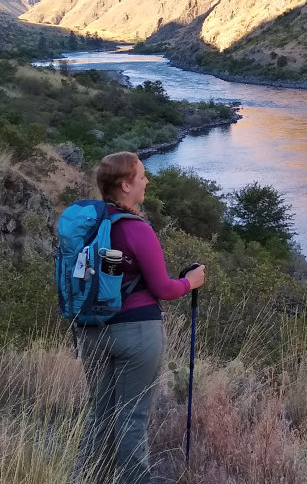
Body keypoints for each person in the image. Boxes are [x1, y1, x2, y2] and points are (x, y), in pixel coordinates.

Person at [75, 151, 205, 484]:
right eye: (142, 175)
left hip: (91, 330)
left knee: (100, 413)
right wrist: (190, 282)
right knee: (131, 416)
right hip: (137, 333)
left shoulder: (92, 225)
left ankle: (89, 477)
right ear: (125, 184)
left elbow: (107, 277)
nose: (147, 180)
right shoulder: (136, 229)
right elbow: (162, 288)